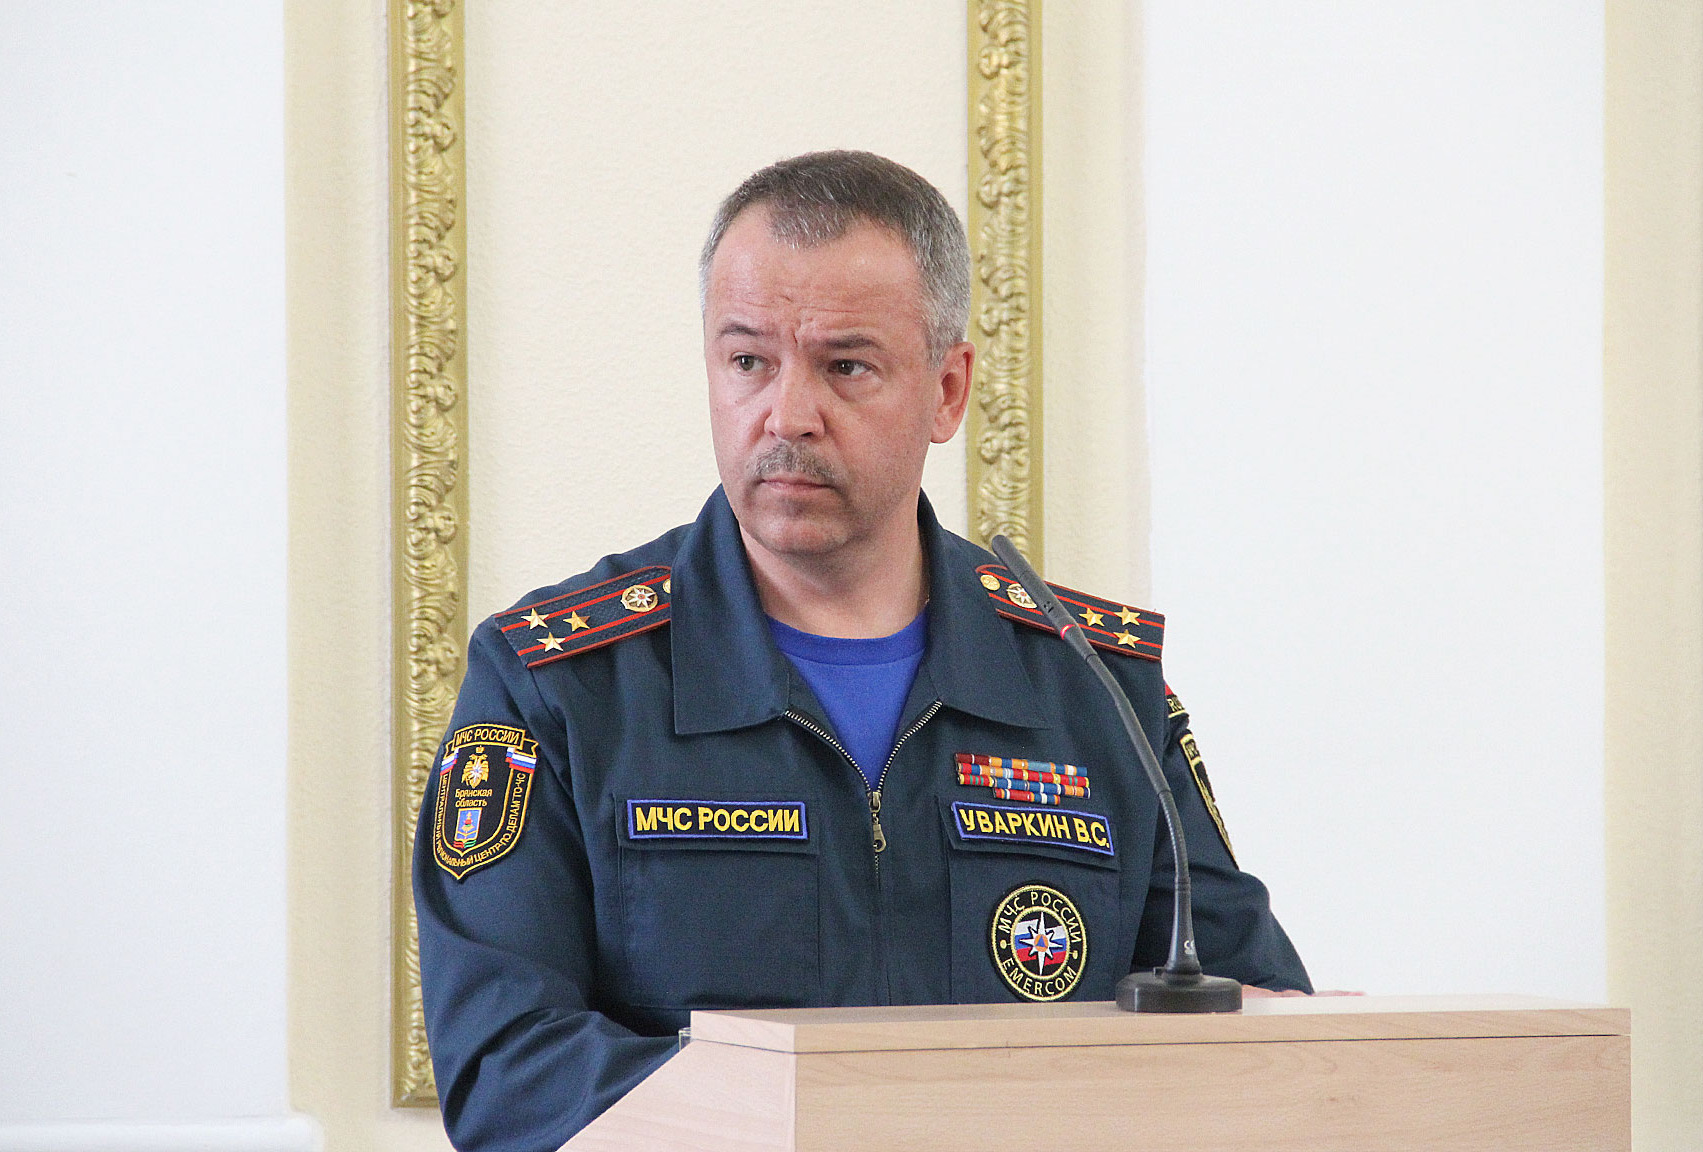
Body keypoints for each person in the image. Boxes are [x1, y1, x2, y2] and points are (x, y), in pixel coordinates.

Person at [413, 150, 1309, 1152]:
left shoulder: (1097, 686)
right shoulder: (557, 683)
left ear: (947, 391)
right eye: (748, 361)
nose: (787, 415)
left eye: (846, 366)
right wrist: (857, 1115)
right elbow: (508, 1072)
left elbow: (1256, 1028)